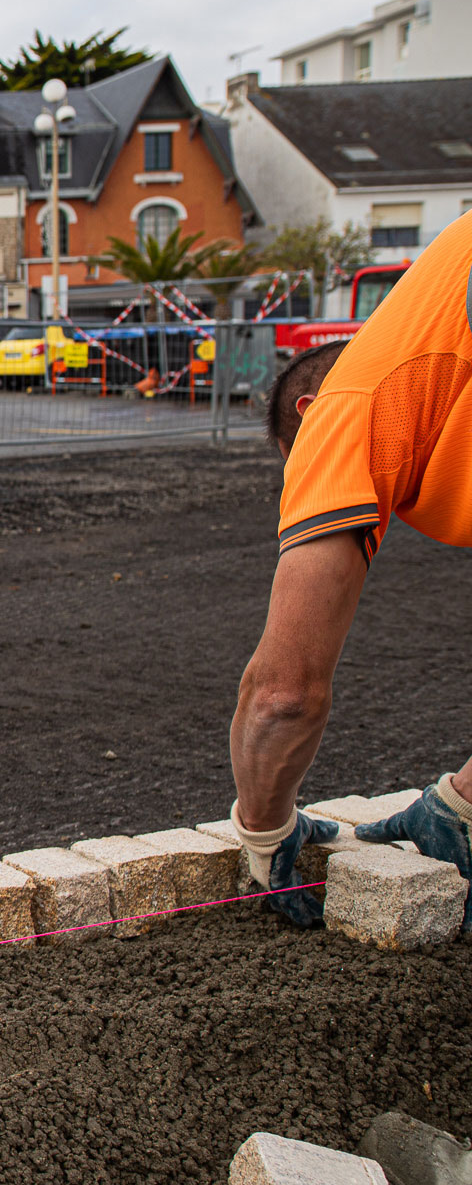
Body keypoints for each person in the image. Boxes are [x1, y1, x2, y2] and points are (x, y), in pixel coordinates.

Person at [228, 211, 472, 927]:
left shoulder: (346, 405)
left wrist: (264, 829)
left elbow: (282, 694)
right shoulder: (440, 371)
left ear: (308, 410)